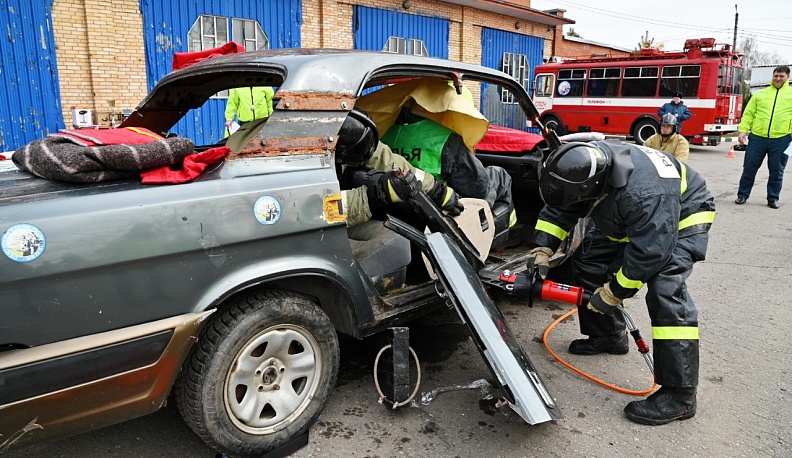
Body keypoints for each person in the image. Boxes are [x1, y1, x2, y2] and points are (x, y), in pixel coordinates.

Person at [525, 140, 715, 425]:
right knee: (588, 261)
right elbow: (562, 204)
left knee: (666, 291)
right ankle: (609, 336)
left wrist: (613, 292)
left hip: (680, 215)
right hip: (630, 216)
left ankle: (681, 395)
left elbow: (651, 251)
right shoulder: (583, 165)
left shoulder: (643, 193)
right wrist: (543, 247)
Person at [734, 65, 792, 209]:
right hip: (757, 138)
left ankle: (773, 198)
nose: (778, 78)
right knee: (749, 168)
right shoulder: (760, 95)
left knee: (777, 171)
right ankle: (742, 195)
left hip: (782, 139)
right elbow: (748, 114)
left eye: (781, 76)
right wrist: (743, 130)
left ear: (788, 78)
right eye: (776, 76)